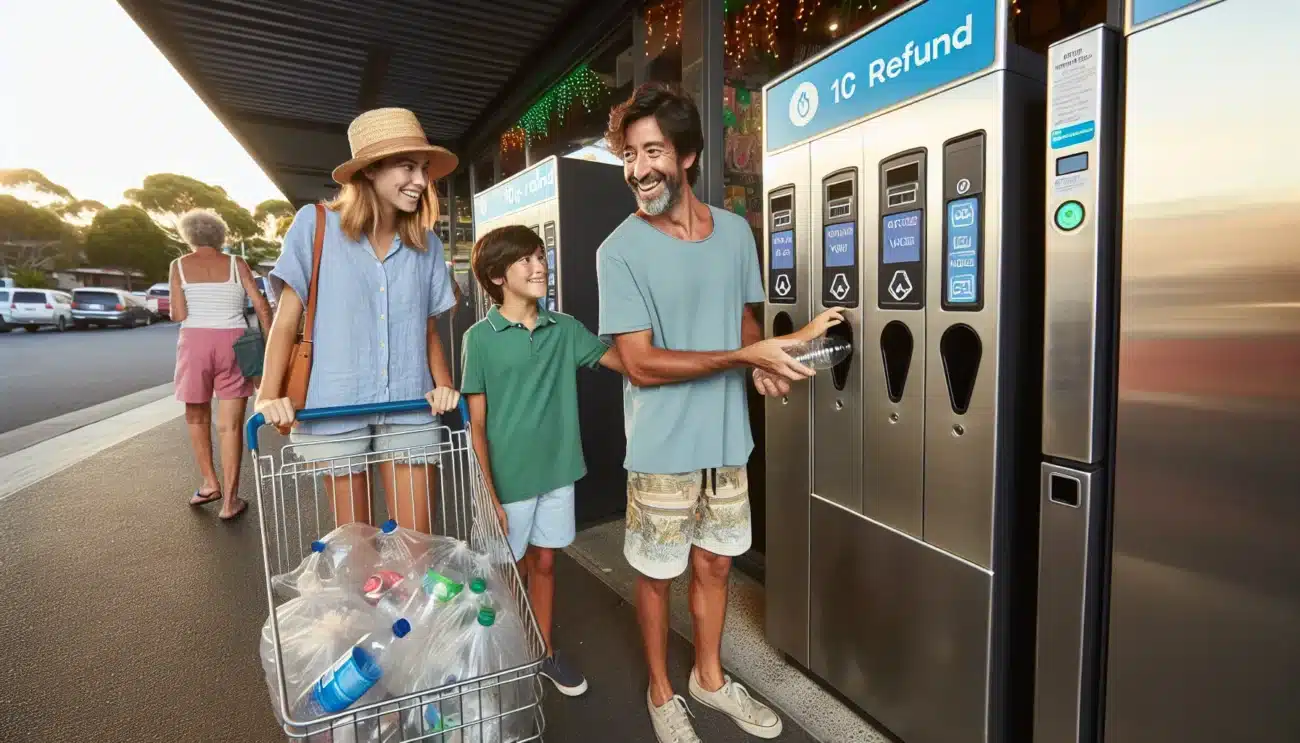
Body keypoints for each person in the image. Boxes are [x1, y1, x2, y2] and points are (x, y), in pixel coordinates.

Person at [597, 82, 843, 742]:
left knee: (715, 567)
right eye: (628, 154)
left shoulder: (734, 231)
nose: (638, 167)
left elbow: (742, 321)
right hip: (659, 447)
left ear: (688, 156)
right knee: (657, 576)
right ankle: (659, 690)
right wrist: (747, 356)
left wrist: (762, 360)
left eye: (652, 151)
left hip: (726, 442)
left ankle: (708, 677)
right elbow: (642, 363)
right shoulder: (617, 251)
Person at [255, 107, 462, 534]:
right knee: (356, 551)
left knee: (417, 547)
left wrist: (442, 385)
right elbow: (286, 319)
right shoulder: (315, 226)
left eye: (424, 168)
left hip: (409, 401)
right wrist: (266, 395)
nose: (421, 181)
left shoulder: (427, 245)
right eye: (407, 167)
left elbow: (426, 330)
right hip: (336, 403)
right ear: (369, 171)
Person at [460, 224, 626, 698]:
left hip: (558, 473)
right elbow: (477, 427)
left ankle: (542, 651)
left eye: (540, 256)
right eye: (525, 260)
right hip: (507, 482)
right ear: (496, 276)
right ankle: (502, 657)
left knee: (547, 564)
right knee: (504, 574)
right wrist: (487, 492)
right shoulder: (480, 338)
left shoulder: (565, 328)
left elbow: (625, 362)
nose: (540, 266)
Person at [170, 208, 273, 521]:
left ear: (188, 235)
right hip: (235, 342)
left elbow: (177, 314)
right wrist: (270, 344)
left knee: (197, 416)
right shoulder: (235, 263)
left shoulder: (179, 266)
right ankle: (229, 501)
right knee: (230, 426)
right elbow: (261, 305)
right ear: (220, 235)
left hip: (195, 343)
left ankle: (209, 483)